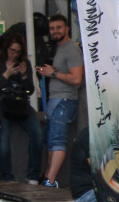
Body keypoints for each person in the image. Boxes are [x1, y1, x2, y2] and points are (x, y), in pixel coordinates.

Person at [0, 34, 42, 183]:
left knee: (38, 134)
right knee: (3, 139)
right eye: (12, 51)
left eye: (18, 52)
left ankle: (33, 176)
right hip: (2, 104)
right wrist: (7, 74)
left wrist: (23, 76)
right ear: (6, 48)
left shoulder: (24, 63)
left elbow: (30, 89)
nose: (15, 54)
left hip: (20, 104)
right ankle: (7, 176)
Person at [36, 14, 84, 187]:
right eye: (52, 28)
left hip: (64, 100)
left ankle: (50, 180)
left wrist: (53, 73)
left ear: (67, 29)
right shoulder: (59, 49)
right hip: (56, 99)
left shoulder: (71, 49)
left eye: (58, 27)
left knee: (57, 140)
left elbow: (77, 79)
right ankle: (48, 178)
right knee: (51, 140)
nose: (55, 31)